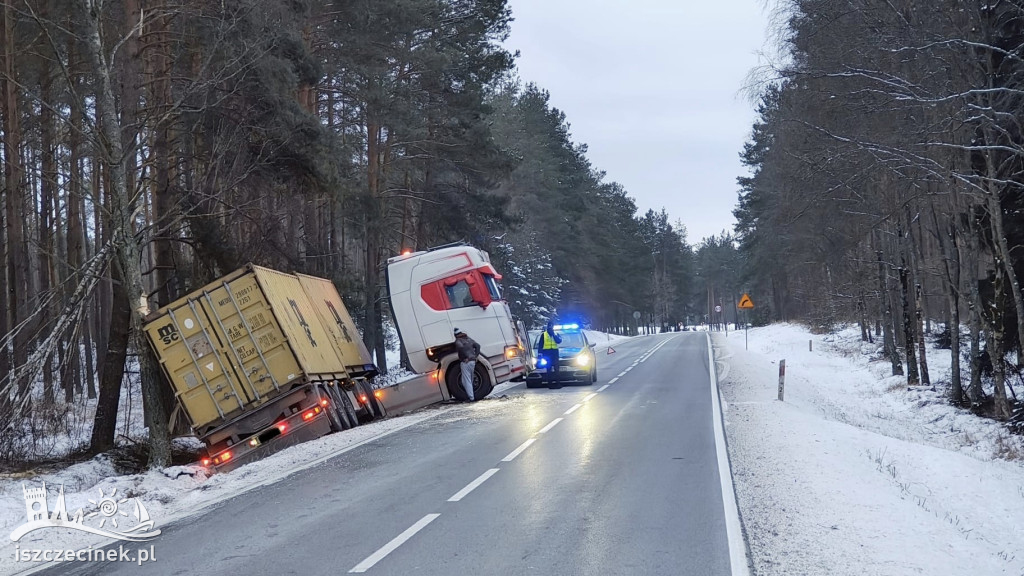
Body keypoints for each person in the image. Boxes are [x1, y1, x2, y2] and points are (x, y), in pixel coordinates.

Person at [454, 328, 481, 401]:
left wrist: (465, 358)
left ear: (455, 335)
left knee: (466, 380)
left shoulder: (458, 341)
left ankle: (471, 398)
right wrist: (475, 356)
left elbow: (461, 348)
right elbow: (478, 346)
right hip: (473, 361)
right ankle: (472, 395)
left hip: (466, 362)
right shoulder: (468, 339)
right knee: (469, 379)